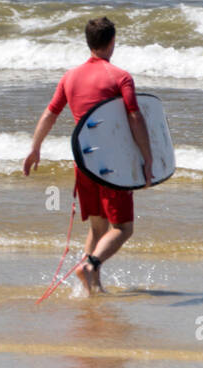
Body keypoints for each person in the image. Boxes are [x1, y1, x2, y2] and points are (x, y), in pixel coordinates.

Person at [22, 17, 153, 295]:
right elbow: (134, 116)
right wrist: (148, 158)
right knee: (123, 228)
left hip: (83, 161)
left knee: (97, 226)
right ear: (112, 42)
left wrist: (35, 147)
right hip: (112, 165)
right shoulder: (120, 77)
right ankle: (90, 264)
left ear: (88, 42)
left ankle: (91, 288)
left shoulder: (70, 77)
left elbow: (50, 114)